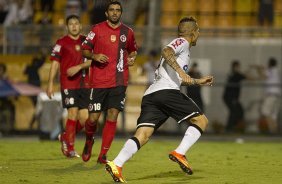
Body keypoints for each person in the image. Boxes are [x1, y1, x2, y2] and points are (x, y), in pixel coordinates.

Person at [104, 16, 213, 183]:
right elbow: (166, 51)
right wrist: (182, 71)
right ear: (193, 32)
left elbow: (177, 77)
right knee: (201, 121)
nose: (199, 34)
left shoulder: (183, 50)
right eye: (198, 31)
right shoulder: (182, 42)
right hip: (166, 92)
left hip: (151, 95)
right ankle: (180, 152)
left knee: (143, 134)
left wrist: (197, 81)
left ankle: (116, 164)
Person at [75, 0, 137, 164]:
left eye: (118, 10)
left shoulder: (128, 32)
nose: (115, 12)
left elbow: (133, 50)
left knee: (112, 114)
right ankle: (89, 140)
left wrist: (132, 57)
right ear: (106, 13)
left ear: (121, 13)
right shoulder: (97, 29)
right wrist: (94, 56)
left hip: (119, 80)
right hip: (99, 81)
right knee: (93, 119)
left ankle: (103, 155)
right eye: (112, 10)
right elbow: (85, 48)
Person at [46, 14, 89, 158]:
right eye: (71, 24)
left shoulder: (86, 41)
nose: (74, 26)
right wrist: (50, 83)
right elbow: (55, 63)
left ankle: (65, 136)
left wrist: (79, 67)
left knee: (85, 119)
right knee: (72, 113)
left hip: (84, 84)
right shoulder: (62, 42)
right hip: (68, 83)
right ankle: (70, 148)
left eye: (77, 23)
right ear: (67, 27)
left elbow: (94, 60)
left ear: (81, 26)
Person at [223, 60, 257, 133]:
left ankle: (233, 126)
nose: (239, 68)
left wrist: (249, 69)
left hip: (230, 97)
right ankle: (229, 128)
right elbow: (248, 77)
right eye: (238, 67)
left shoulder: (234, 74)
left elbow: (244, 75)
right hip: (230, 97)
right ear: (235, 67)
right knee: (234, 111)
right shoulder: (236, 75)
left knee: (239, 111)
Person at [256, 58, 281, 133]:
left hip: (271, 95)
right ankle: (274, 131)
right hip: (276, 95)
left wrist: (258, 69)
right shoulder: (275, 70)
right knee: (273, 115)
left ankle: (273, 130)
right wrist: (261, 68)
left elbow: (262, 77)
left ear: (270, 64)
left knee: (265, 112)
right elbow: (265, 74)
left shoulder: (271, 70)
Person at [24, 48, 46, 129]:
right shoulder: (33, 67)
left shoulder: (30, 67)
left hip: (33, 91)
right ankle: (35, 124)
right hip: (34, 91)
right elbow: (42, 62)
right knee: (38, 108)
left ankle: (34, 124)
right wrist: (42, 55)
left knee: (38, 108)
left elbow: (24, 72)